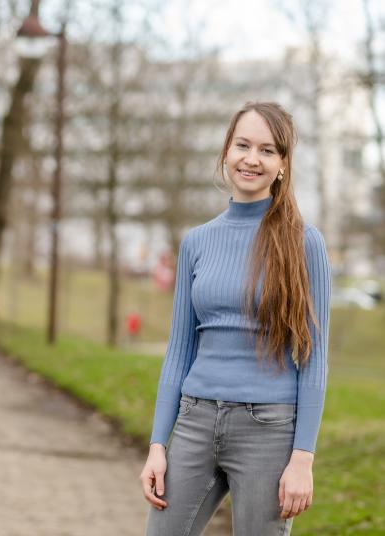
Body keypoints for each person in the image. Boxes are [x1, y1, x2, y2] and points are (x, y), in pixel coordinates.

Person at [139, 102, 330, 536]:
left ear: (282, 165)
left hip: (268, 430)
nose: (251, 159)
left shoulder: (304, 243)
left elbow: (314, 358)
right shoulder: (197, 242)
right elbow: (179, 351)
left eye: (267, 150)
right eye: (243, 145)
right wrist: (157, 445)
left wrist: (303, 458)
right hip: (194, 421)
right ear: (226, 150)